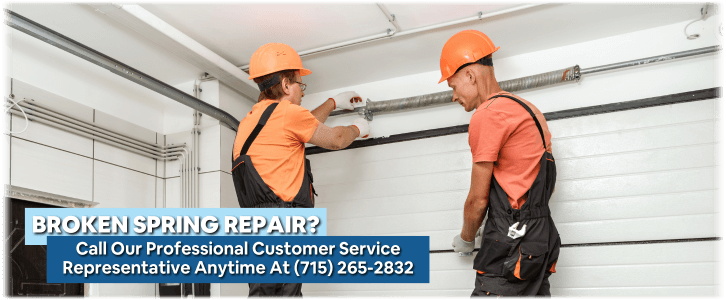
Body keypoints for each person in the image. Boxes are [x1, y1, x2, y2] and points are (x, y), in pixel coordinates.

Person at [231, 43, 369, 299]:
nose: (302, 93)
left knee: (263, 293)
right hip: (284, 222)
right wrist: (358, 128)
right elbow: (336, 139)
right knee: (286, 294)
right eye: (299, 85)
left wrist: (333, 103)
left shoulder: (250, 120)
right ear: (285, 85)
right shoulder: (287, 113)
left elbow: (303, 127)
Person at [441, 30, 561, 299]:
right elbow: (537, 182)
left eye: (453, 86)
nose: (453, 96)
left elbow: (477, 200)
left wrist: (467, 238)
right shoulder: (526, 108)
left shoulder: (488, 114)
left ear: (470, 76)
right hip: (540, 237)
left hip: (512, 242)